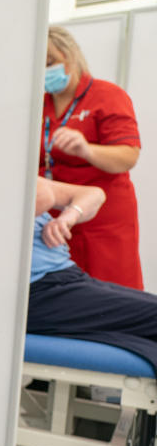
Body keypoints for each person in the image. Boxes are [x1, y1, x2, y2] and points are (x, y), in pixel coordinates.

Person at [42, 26, 142, 289]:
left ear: (71, 57)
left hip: (102, 219)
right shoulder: (39, 104)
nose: (45, 71)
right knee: (62, 295)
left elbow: (128, 156)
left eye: (51, 63)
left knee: (111, 293)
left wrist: (87, 150)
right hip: (53, 219)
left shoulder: (107, 96)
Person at [28, 177, 157, 372]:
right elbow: (41, 196)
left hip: (65, 278)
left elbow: (94, 194)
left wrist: (68, 216)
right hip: (39, 292)